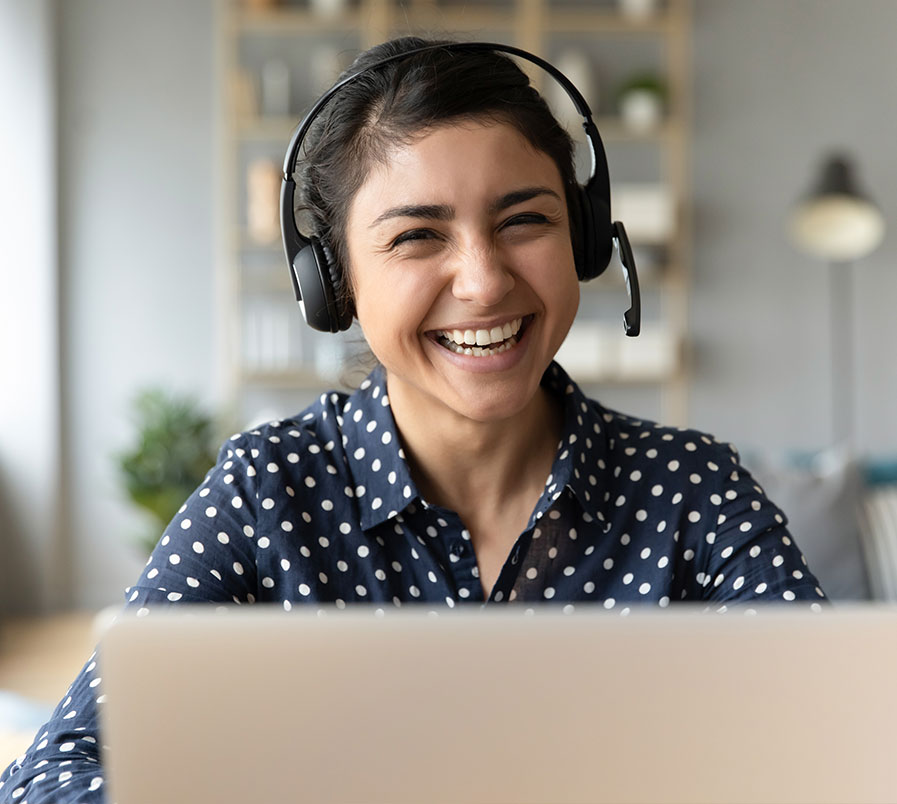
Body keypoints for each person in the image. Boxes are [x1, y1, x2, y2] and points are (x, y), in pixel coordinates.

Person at [0, 35, 825, 803]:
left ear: (581, 238)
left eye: (524, 219)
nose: (482, 280)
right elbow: (53, 775)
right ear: (336, 283)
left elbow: (827, 739)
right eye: (417, 236)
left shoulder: (688, 487)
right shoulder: (266, 492)